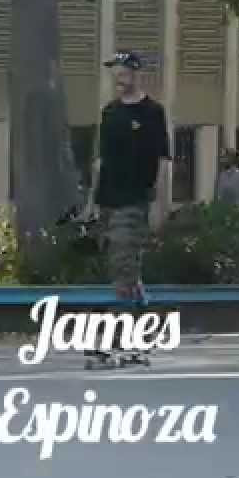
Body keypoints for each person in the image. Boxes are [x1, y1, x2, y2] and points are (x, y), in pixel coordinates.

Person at [84, 50, 172, 305]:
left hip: (135, 199)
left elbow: (163, 160)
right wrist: (92, 201)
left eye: (123, 74)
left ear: (136, 74)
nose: (119, 80)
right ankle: (145, 315)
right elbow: (100, 159)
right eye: (116, 75)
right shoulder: (110, 112)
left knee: (123, 261)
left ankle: (120, 328)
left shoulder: (152, 112)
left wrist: (160, 203)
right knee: (123, 265)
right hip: (108, 198)